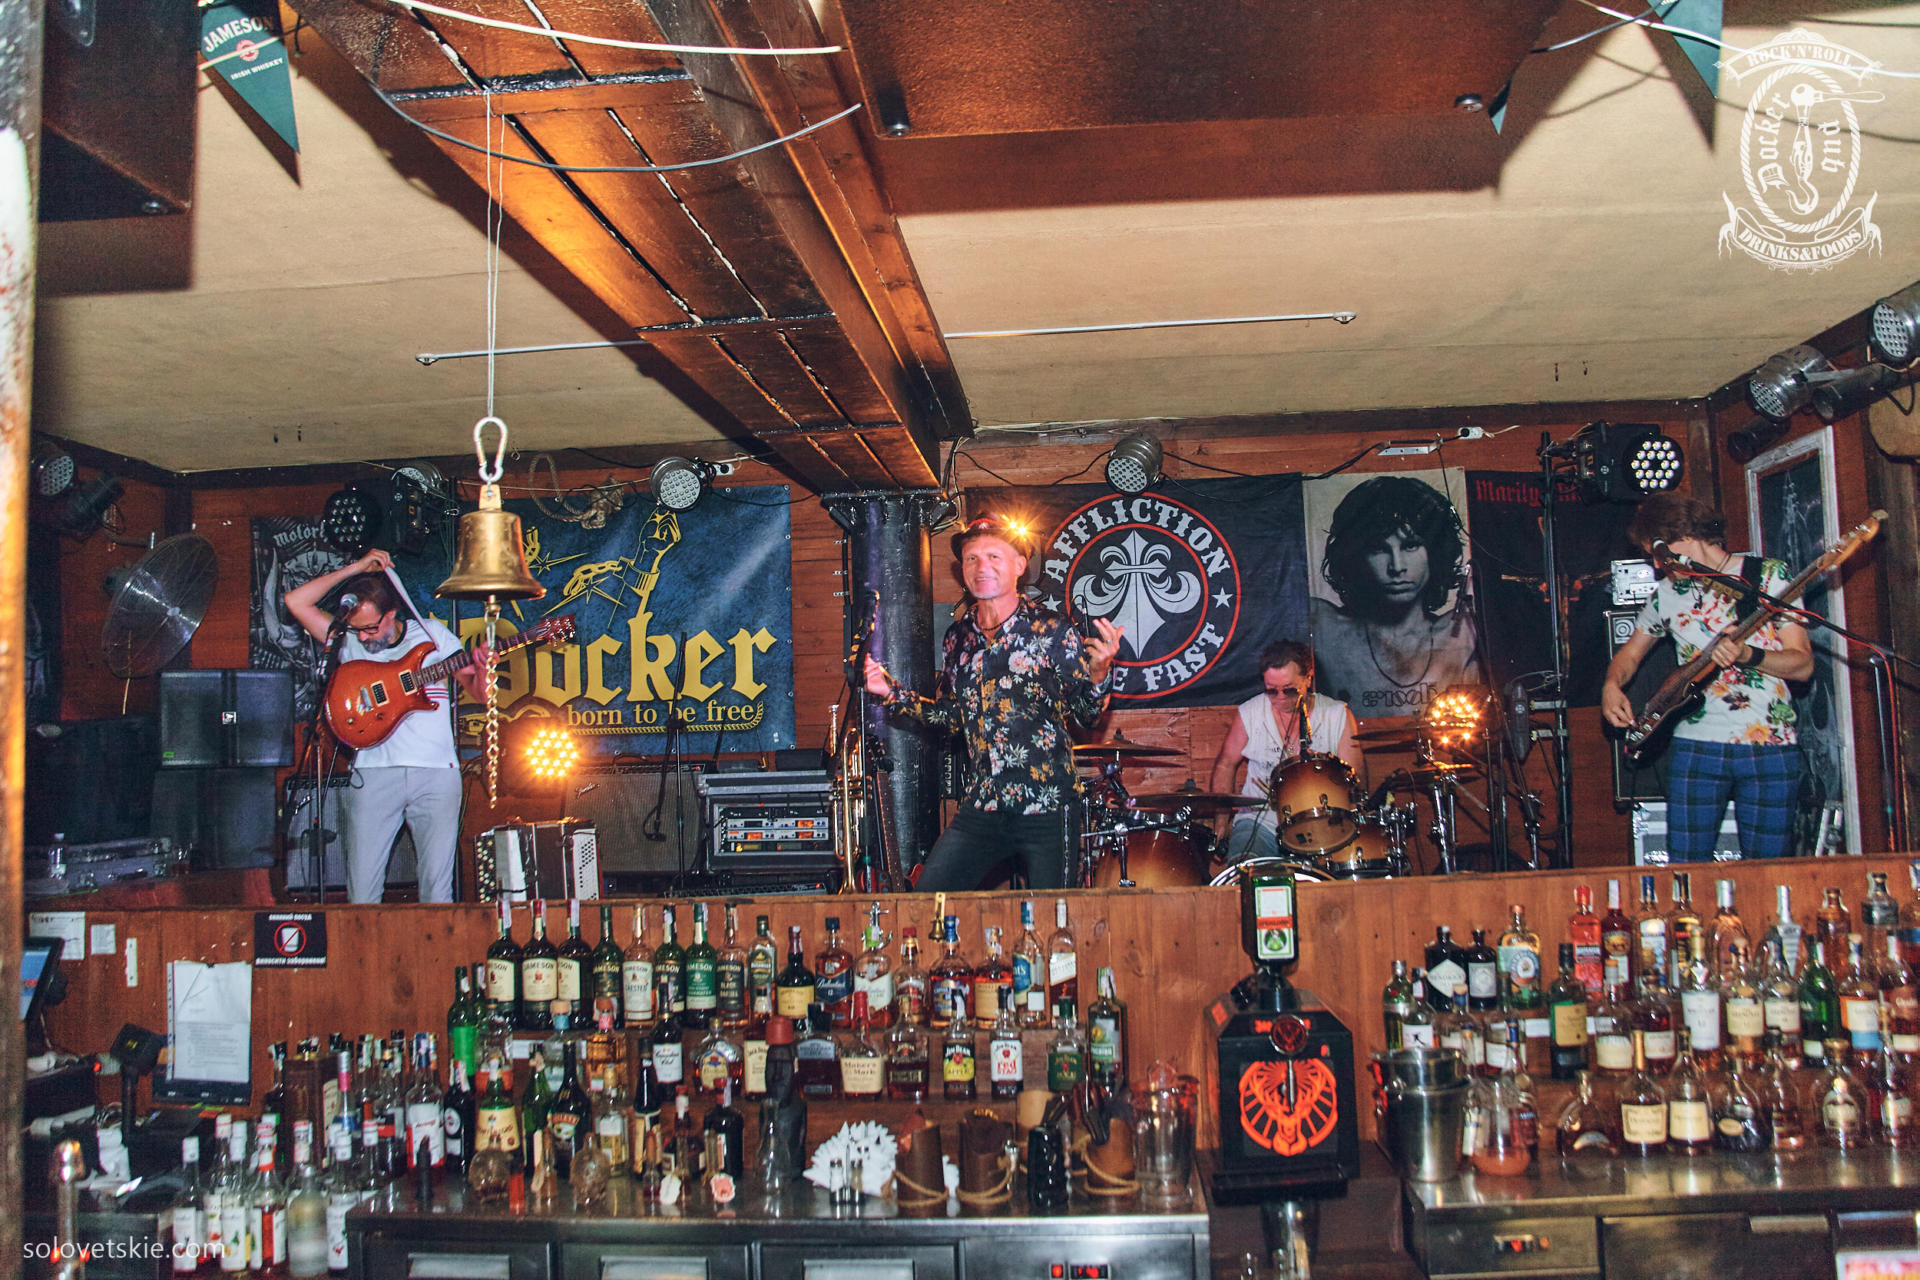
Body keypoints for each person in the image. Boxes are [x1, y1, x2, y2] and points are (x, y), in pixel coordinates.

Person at [864, 514, 1123, 891]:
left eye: (993, 557)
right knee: (926, 901)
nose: (981, 566)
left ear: (1019, 566)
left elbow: (1088, 716)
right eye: (972, 558)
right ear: (962, 570)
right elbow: (952, 717)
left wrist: (1098, 673)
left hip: (1047, 804)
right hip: (983, 804)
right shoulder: (958, 637)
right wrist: (891, 693)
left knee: (1055, 914)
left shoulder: (1052, 630)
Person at [1600, 493, 1812, 860]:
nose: (1656, 566)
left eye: (1658, 553)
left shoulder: (1768, 576)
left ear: (1684, 536)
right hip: (1695, 747)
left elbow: (1803, 665)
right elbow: (1630, 654)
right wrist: (1611, 685)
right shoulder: (1667, 593)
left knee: (1770, 871)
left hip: (1769, 745)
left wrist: (1749, 655)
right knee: (1686, 869)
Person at [284, 549, 489, 903]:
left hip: (436, 772)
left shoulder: (431, 634)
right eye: (358, 629)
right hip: (374, 772)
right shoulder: (348, 641)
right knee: (363, 892)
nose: (364, 638)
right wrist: (355, 569)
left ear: (391, 614)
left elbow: (480, 693)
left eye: (371, 628)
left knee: (437, 891)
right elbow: (295, 601)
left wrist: (484, 668)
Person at [1309, 475, 1482, 716]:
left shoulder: (1462, 634)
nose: (1397, 567)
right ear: (1355, 556)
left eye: (1410, 545)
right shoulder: (1324, 626)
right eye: (1379, 548)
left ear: (1435, 552)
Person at [1208, 641, 1363, 862]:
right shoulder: (1250, 713)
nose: (1280, 698)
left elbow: (1354, 778)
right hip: (1259, 820)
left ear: (1308, 678)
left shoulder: (1337, 715)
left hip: (1321, 821)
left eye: (1289, 690)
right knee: (1244, 867)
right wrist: (1221, 822)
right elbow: (1226, 764)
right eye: (1271, 691)